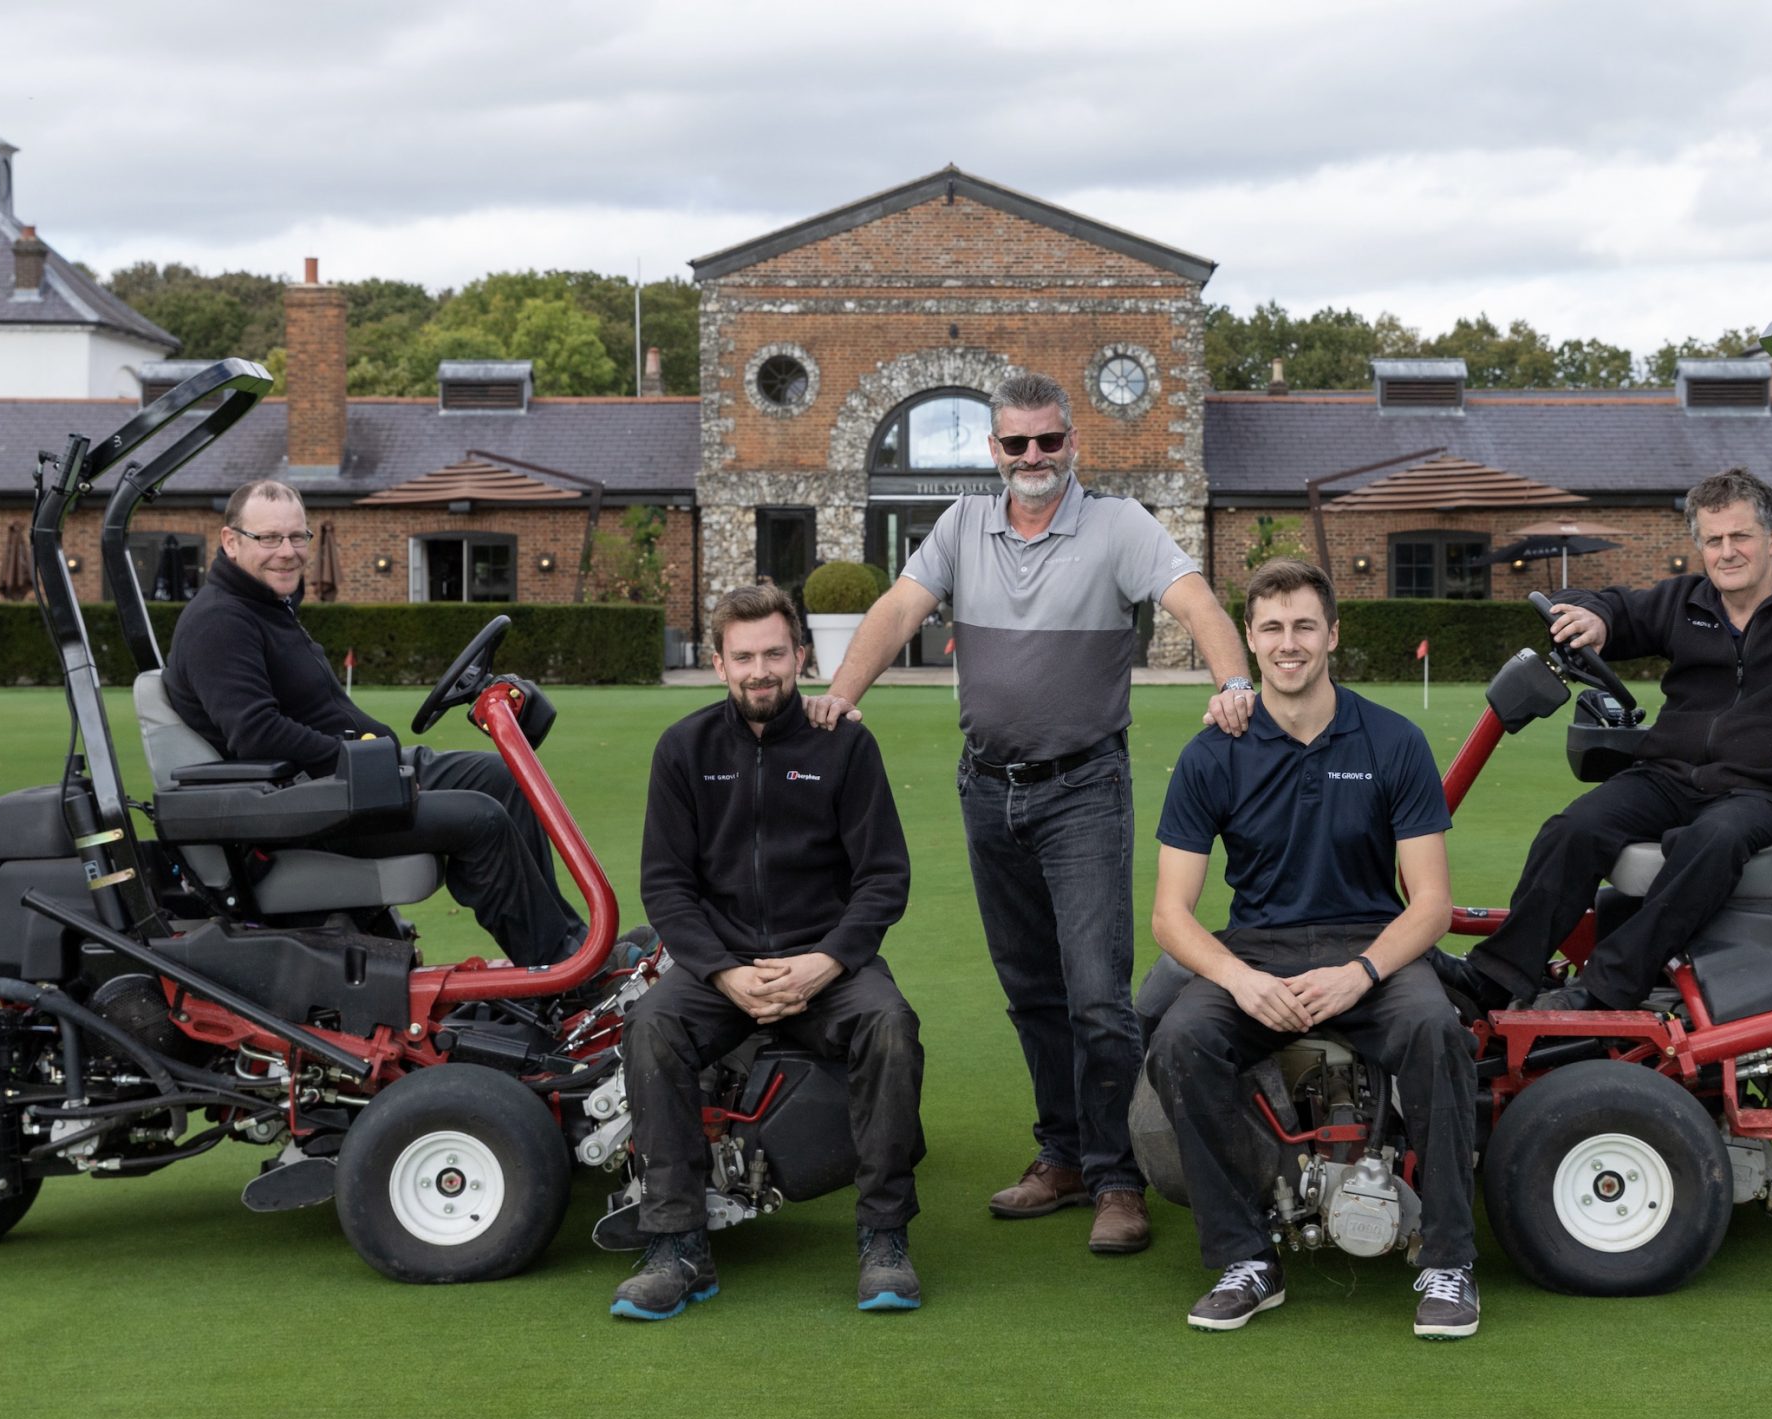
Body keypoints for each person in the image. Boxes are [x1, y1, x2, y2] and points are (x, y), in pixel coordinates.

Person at [804, 371, 1255, 1257]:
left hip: (1083, 787)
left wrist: (1234, 681)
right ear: (994, 451)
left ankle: (1118, 1175)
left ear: (1072, 442)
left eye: (1049, 441)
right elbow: (899, 606)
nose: (1034, 458)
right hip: (986, 788)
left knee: (1095, 994)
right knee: (1031, 993)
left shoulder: (1119, 524)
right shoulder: (963, 525)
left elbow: (1196, 600)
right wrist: (841, 695)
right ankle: (1065, 1156)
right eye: (1017, 444)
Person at [1448, 466, 1772, 1013]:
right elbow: (1612, 604)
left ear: (1771, 538)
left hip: (1760, 791)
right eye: (1713, 540)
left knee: (1710, 842)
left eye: (1740, 536)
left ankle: (1606, 989)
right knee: (1573, 828)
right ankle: (1497, 980)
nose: (1727, 552)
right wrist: (1595, 616)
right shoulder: (1686, 603)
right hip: (1668, 777)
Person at [1145, 559, 1479, 1339]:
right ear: (1251, 642)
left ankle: (1449, 1259)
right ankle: (1247, 1256)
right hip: (1256, 947)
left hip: (1371, 943)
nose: (1288, 643)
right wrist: (1241, 980)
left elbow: (1430, 903)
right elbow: (1170, 914)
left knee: (1437, 1030)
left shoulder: (1393, 739)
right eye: (1271, 627)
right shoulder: (1212, 753)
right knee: (1180, 1040)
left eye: (1304, 626)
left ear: (1333, 634)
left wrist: (1362, 972)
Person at [613, 584, 925, 1320]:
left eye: (775, 654)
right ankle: (677, 1244)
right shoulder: (684, 748)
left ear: (801, 656)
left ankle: (884, 1235)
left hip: (826, 964)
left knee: (891, 1025)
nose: (762, 670)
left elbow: (884, 878)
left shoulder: (843, 743)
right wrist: (724, 971)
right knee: (652, 1026)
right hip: (719, 967)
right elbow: (665, 885)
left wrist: (828, 961)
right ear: (717, 662)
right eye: (744, 656)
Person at [163, 478, 584, 966]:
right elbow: (256, 732)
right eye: (269, 539)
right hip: (310, 803)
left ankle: (567, 943)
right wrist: (362, 763)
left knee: (503, 777)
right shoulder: (220, 622)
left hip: (349, 780)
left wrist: (373, 760)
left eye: (298, 537)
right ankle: (555, 968)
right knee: (480, 818)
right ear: (231, 542)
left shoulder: (264, 609)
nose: (287, 552)